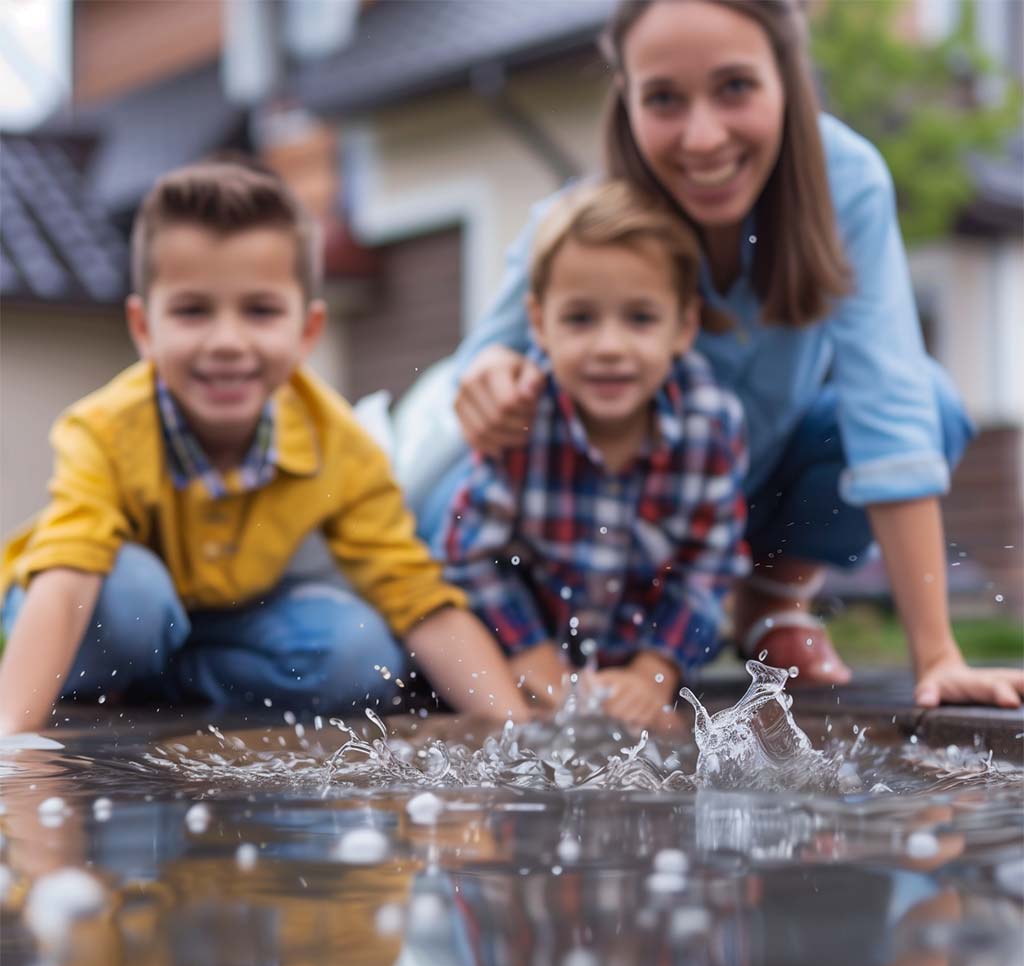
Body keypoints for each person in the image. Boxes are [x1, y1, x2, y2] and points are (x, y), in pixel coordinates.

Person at [430, 0, 1023, 708]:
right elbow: (482, 365)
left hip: (740, 497)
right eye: (664, 99)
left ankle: (771, 597)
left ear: (788, 79)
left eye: (735, 87)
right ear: (626, 98)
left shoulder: (844, 182)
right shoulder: (590, 219)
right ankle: (528, 638)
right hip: (614, 520)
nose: (703, 137)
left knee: (930, 402)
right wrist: (489, 376)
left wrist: (938, 655)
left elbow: (889, 403)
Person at [0, 159, 530, 735]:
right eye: (193, 310)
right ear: (144, 328)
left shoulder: (340, 446)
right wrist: (10, 742)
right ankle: (88, 693)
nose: (228, 342)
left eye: (260, 311)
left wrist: (516, 726)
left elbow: (415, 594)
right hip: (90, 623)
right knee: (132, 596)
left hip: (224, 631)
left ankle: (166, 688)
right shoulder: (104, 428)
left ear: (307, 330)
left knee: (361, 651)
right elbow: (69, 574)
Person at [444, 181, 749, 730]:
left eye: (640, 319)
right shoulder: (524, 413)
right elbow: (472, 553)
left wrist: (654, 673)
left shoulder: (710, 423)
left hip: (643, 650)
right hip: (529, 644)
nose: (609, 347)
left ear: (683, 327)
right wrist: (530, 655)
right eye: (581, 319)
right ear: (539, 324)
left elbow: (710, 567)